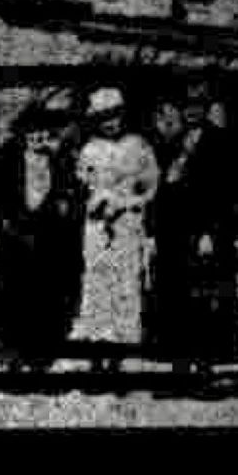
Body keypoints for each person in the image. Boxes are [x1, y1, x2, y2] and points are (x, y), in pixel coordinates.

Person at [147, 86, 238, 377]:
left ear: (206, 107)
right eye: (187, 106)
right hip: (174, 233)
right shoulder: (171, 141)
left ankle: (205, 364)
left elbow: (223, 194)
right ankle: (179, 363)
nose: (192, 111)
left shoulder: (221, 141)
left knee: (206, 299)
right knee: (176, 297)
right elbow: (159, 191)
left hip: (206, 233)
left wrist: (210, 234)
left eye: (198, 105)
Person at [0, 104, 85, 373]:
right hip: (14, 234)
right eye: (31, 131)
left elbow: (70, 197)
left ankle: (41, 356)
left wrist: (63, 207)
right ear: (22, 134)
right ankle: (12, 353)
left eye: (42, 131)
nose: (37, 136)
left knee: (45, 295)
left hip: (47, 237)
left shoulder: (60, 162)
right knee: (13, 293)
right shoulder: (7, 159)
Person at [70, 87, 160, 374]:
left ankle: (120, 353)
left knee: (125, 284)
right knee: (98, 284)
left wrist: (127, 203)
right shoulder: (89, 149)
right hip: (97, 225)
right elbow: (80, 185)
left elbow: (151, 188)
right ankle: (97, 349)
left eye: (115, 116)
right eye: (104, 118)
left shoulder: (139, 146)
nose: (111, 123)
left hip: (127, 223)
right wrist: (93, 203)